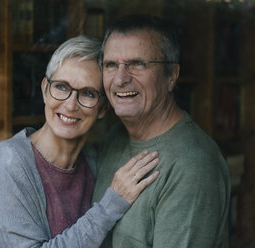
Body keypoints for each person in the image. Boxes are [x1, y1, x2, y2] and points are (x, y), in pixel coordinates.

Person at [0, 35, 160, 247]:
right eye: (61, 87)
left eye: (88, 93)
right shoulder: (10, 161)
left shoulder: (92, 161)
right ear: (45, 90)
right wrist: (112, 203)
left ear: (103, 108)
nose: (71, 105)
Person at [92, 14, 231, 247]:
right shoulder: (114, 138)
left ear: (171, 75)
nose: (120, 79)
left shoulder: (192, 165)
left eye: (137, 64)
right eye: (111, 65)